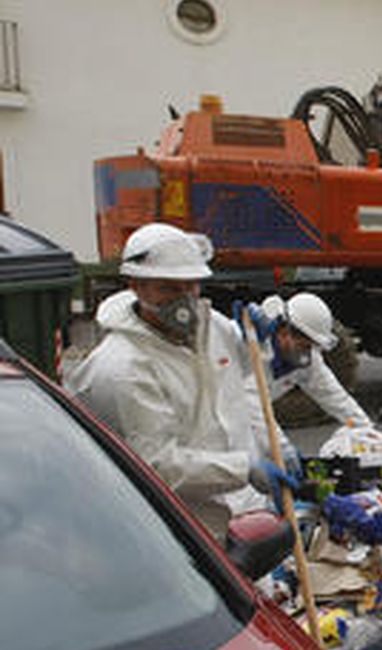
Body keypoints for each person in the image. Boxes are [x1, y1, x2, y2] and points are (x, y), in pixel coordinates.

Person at [65, 222, 296, 539]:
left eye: (191, 286)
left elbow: (241, 375)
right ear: (136, 286)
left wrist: (260, 345)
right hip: (167, 526)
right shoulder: (124, 366)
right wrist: (246, 469)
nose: (185, 300)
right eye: (169, 289)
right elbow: (159, 464)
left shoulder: (212, 326)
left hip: (229, 509)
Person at [247, 292, 371, 429]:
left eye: (311, 346)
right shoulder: (249, 351)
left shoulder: (306, 358)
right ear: (285, 331)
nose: (305, 353)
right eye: (304, 345)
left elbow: (336, 399)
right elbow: (254, 414)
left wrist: (366, 429)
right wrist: (282, 444)